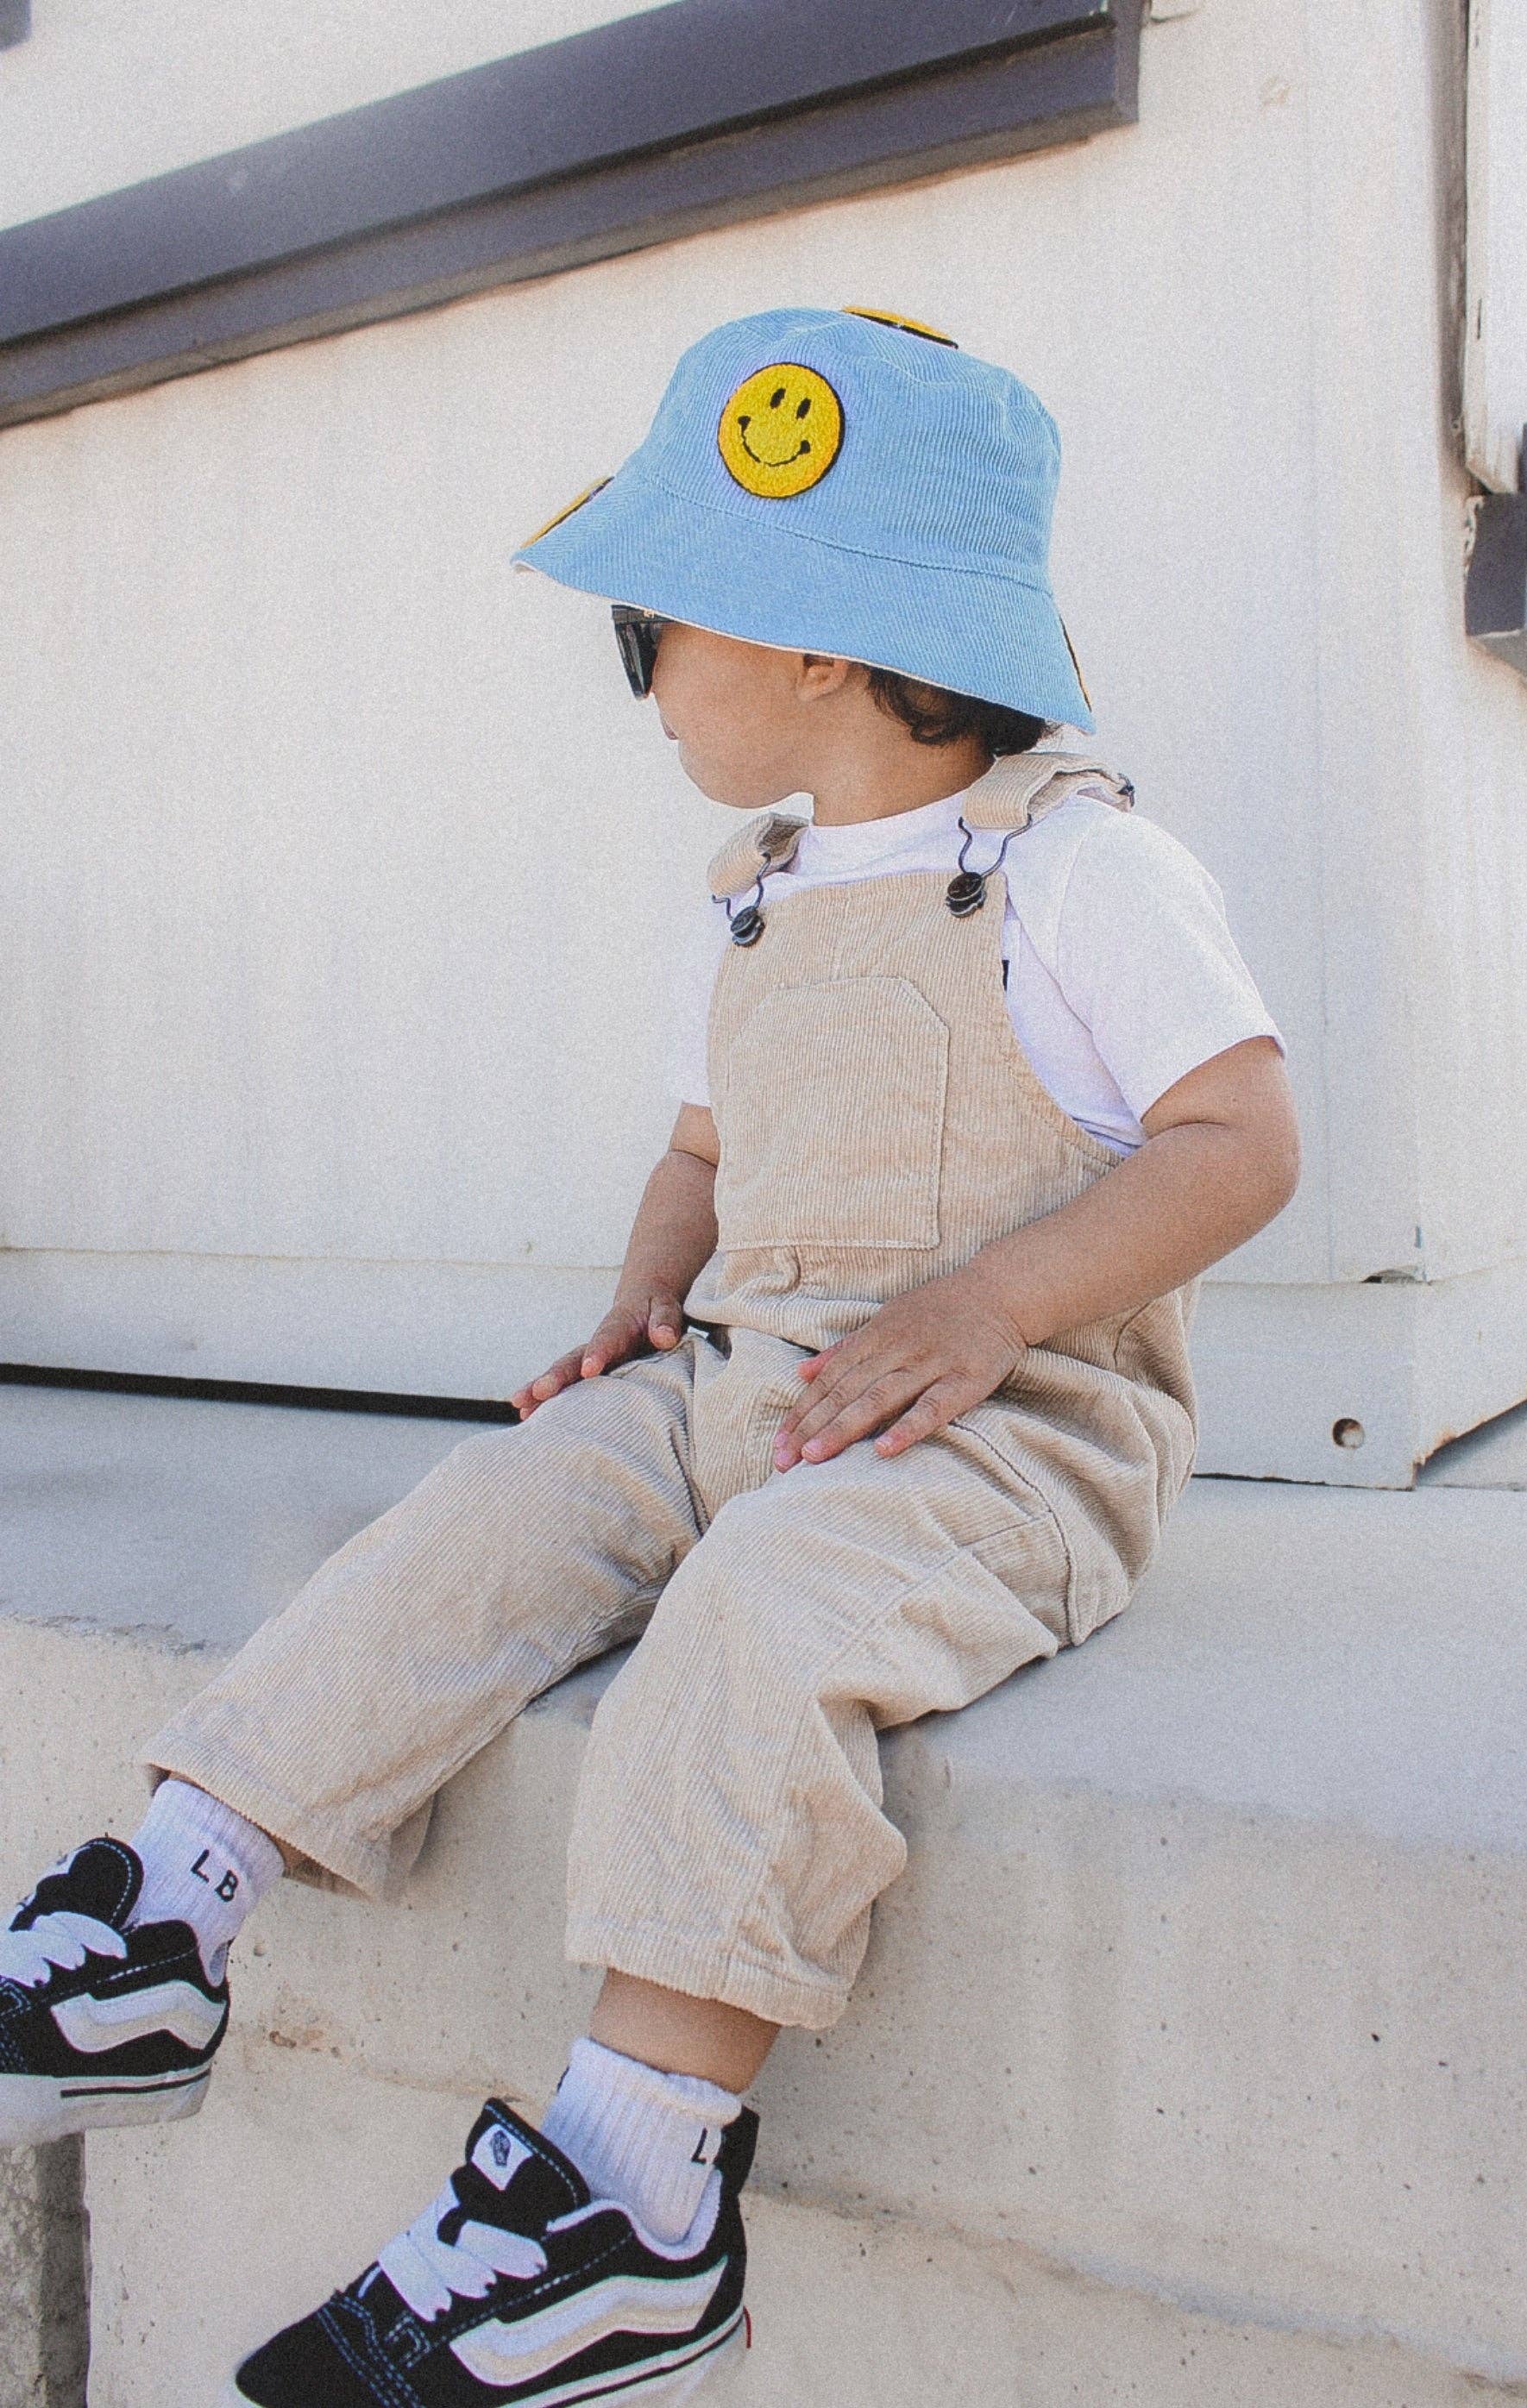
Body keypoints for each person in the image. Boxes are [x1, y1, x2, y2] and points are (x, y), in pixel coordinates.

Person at [0, 304, 1299, 2405]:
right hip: (746, 1377)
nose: (634, 679)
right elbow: (704, 1148)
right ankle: (164, 1911)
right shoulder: (762, 894)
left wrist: (985, 1305)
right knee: (491, 1507)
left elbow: (1243, 1141)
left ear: (814, 641)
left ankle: (636, 2200)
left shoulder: (1076, 864)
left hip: (1003, 1425)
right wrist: (636, 1303)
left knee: (761, 1616)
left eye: (647, 631)